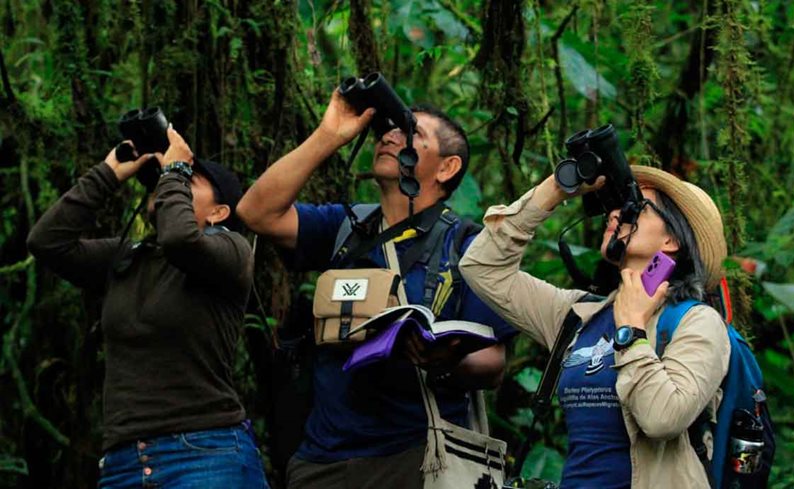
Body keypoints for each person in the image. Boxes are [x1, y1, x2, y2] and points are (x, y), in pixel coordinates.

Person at [237, 90, 515, 488]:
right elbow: (255, 212)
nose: (389, 136)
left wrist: (441, 357)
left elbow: (493, 362)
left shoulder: (467, 246)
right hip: (322, 463)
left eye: (410, 133)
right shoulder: (346, 227)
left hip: (415, 459)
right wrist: (329, 134)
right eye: (386, 130)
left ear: (447, 167)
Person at [458, 168, 731, 488]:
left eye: (635, 207)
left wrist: (631, 329)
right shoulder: (577, 315)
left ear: (671, 240)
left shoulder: (696, 321)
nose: (615, 212)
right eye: (616, 205)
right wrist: (556, 188)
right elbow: (482, 267)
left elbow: (663, 418)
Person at [27, 128, 269, 489]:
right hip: (124, 463)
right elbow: (47, 243)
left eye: (192, 177)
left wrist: (175, 171)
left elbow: (179, 238)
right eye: (171, 175)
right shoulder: (129, 257)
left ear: (219, 212)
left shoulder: (232, 252)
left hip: (205, 455)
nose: (172, 178)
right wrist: (109, 173)